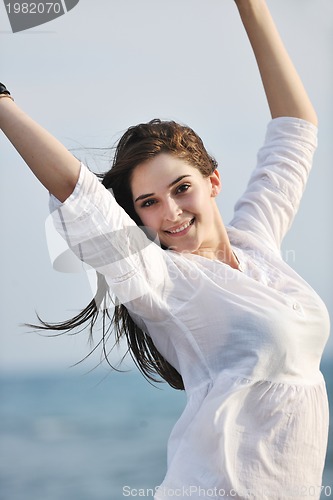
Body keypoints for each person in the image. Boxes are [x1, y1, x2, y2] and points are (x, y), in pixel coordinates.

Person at [0, 0, 330, 498]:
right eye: (149, 203)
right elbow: (78, 192)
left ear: (213, 180)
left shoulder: (257, 244)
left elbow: (295, 130)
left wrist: (252, 8)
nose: (171, 213)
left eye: (181, 189)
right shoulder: (163, 281)